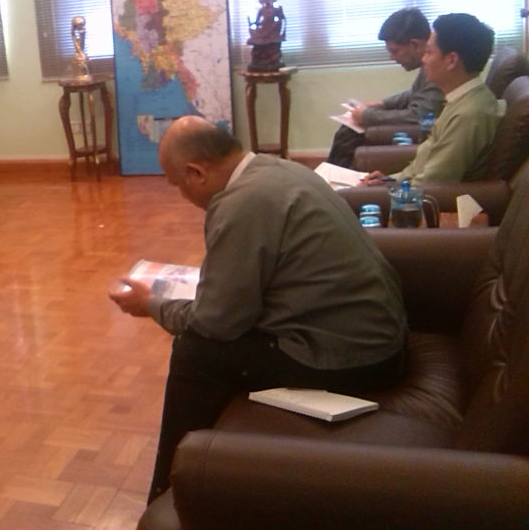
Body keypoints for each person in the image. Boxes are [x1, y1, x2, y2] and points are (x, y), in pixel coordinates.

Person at [110, 117, 407, 503]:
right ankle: (216, 467)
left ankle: (171, 492)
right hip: (376, 337)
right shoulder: (279, 169)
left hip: (354, 357)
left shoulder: (241, 203)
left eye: (177, 184)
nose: (182, 195)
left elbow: (215, 323)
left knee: (195, 351)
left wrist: (151, 305)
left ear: (196, 172)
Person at [361, 13, 501, 186]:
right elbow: (424, 165)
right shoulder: (459, 99)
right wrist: (390, 179)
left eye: (428, 52)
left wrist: (389, 187)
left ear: (451, 60)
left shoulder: (469, 115)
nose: (423, 59)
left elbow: (434, 181)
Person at [327, 8, 444, 167]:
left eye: (394, 51)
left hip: (419, 132)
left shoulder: (437, 67)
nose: (391, 57)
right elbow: (415, 93)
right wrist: (382, 104)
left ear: (415, 44)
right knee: (348, 130)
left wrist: (368, 115)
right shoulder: (428, 65)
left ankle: (334, 177)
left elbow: (418, 115)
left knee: (349, 133)